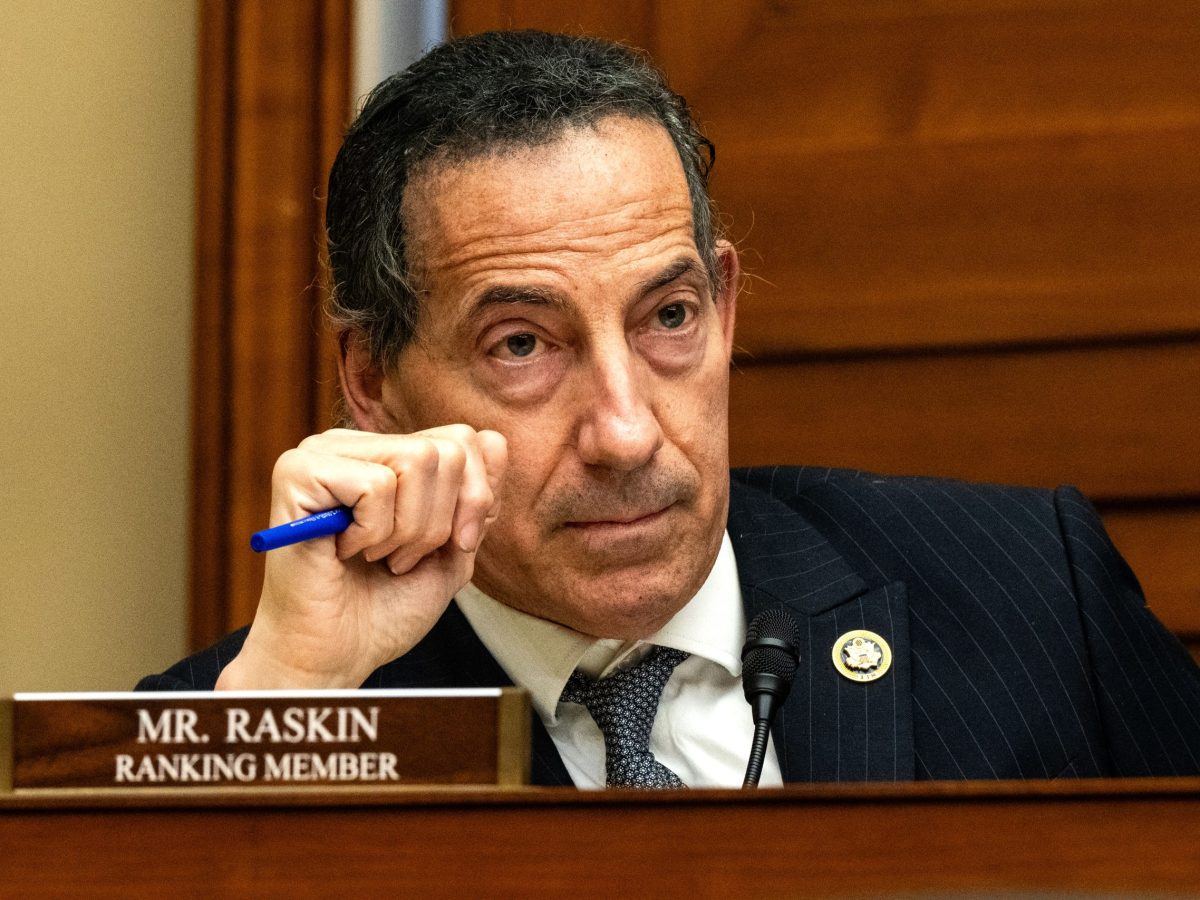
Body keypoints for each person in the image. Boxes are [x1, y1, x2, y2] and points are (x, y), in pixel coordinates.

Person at [139, 30, 1200, 786]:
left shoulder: (1030, 593)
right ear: (371, 377)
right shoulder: (249, 711)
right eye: (522, 344)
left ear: (726, 306)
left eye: (669, 317)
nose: (628, 431)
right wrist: (295, 697)